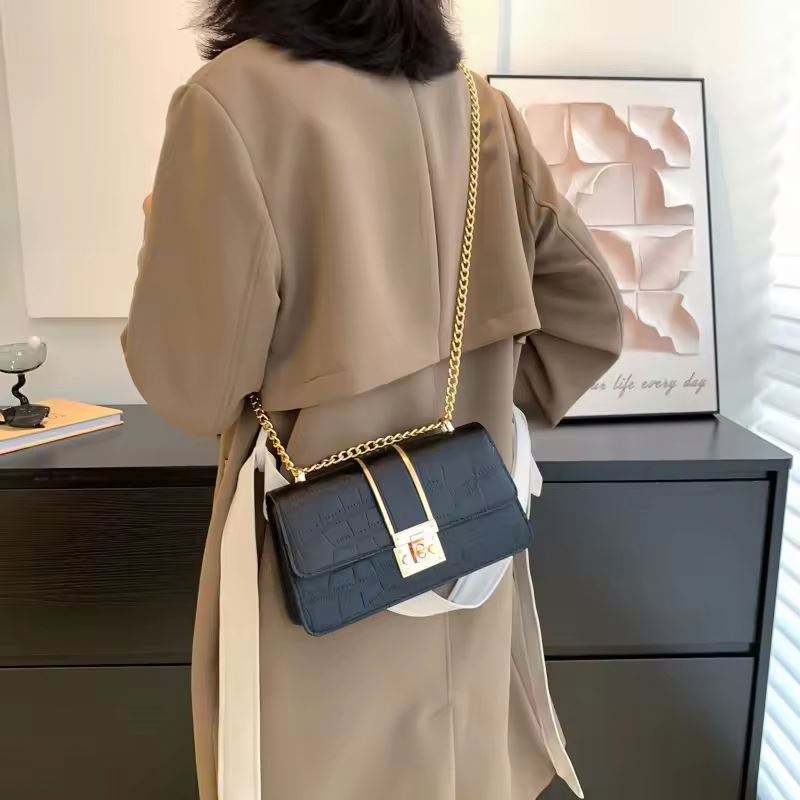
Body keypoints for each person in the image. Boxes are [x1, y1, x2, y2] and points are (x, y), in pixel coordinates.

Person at [122, 2, 624, 798]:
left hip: (316, 588)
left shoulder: (228, 104)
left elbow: (192, 390)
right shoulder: (477, 105)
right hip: (465, 564)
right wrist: (480, 416)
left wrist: (159, 235)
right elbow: (591, 320)